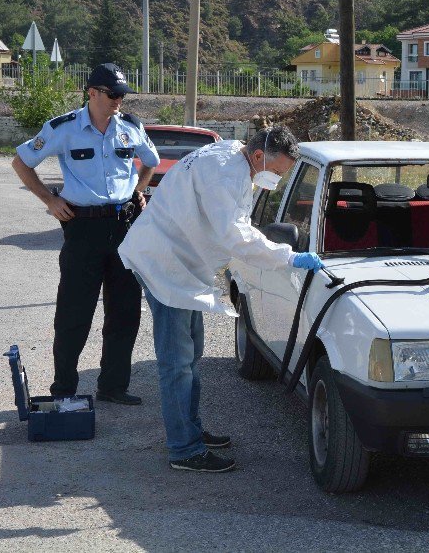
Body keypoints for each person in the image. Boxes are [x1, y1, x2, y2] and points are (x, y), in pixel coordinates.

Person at [118, 125, 323, 473]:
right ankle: (184, 449)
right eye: (276, 172)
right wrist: (287, 257)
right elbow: (236, 236)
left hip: (180, 264)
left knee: (191, 352)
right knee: (177, 362)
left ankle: (191, 430)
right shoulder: (225, 173)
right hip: (165, 266)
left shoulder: (232, 156)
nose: (275, 179)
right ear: (259, 156)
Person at [11, 62, 160, 406]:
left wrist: (139, 189)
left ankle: (113, 386)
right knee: (73, 314)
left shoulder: (130, 128)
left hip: (124, 226)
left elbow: (150, 160)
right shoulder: (64, 128)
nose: (119, 101)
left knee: (124, 312)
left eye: (122, 95)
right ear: (91, 93)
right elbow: (21, 162)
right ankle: (63, 389)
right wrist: (49, 199)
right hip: (82, 228)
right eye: (113, 94)